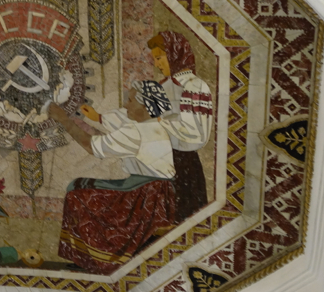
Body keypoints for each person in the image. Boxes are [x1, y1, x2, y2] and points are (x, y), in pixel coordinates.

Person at [48, 30, 212, 274]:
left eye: (161, 58)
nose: (157, 64)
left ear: (176, 55)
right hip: (157, 156)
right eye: (155, 59)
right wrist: (100, 118)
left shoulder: (194, 86)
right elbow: (137, 116)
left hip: (183, 160)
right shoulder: (161, 88)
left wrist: (160, 127)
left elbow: (196, 134)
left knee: (184, 218)